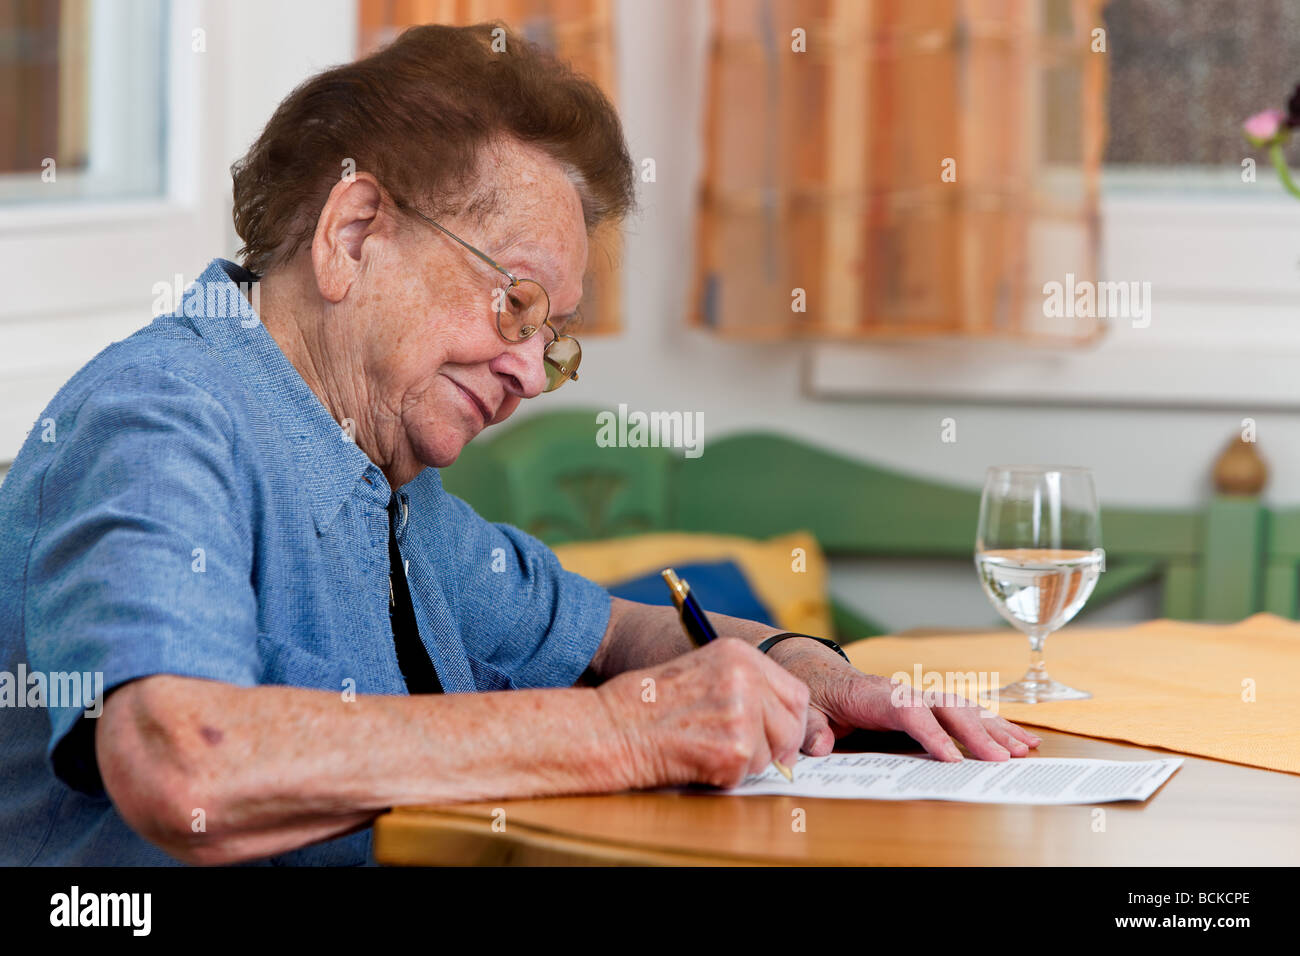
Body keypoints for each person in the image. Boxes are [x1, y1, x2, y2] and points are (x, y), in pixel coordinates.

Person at [0, 23, 1040, 866]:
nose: (533, 373)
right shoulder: (160, 417)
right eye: (515, 302)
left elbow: (615, 634)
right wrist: (631, 732)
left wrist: (806, 669)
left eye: (555, 337)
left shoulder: (393, 492)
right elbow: (183, 761)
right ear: (354, 231)